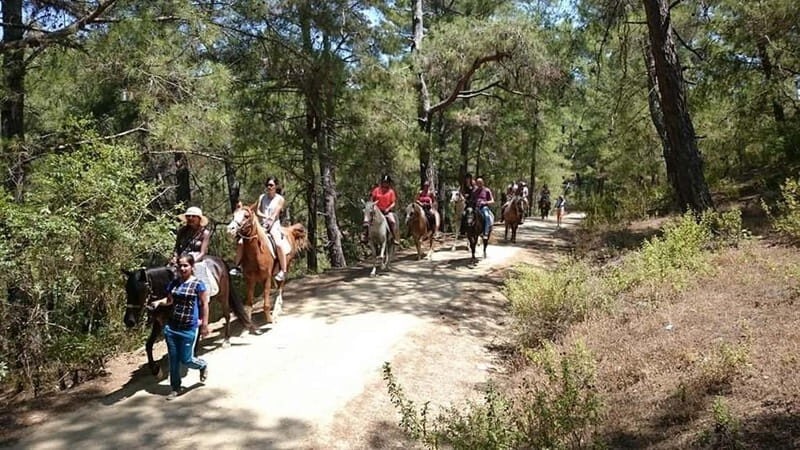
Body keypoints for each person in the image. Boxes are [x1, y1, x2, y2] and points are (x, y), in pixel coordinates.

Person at [148, 254, 209, 400]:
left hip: (189, 328)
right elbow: (169, 300)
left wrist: (205, 324)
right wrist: (158, 303)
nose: (182, 268)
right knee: (173, 360)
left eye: (185, 265)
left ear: (192, 267)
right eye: (180, 265)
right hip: (172, 328)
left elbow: (204, 304)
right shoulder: (174, 283)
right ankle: (175, 388)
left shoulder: (198, 284)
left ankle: (202, 365)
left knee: (186, 359)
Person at [230, 177, 289, 281]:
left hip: (274, 223)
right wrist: (264, 217)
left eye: (271, 185)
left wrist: (270, 219)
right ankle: (238, 266)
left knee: (279, 244)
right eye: (267, 185)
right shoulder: (262, 197)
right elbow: (257, 211)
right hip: (261, 223)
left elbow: (276, 213)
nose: (269, 187)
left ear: (276, 187)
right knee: (241, 242)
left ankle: (283, 270)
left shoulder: (280, 199)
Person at [369, 174, 400, 245]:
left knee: (392, 221)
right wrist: (372, 205)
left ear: (389, 183)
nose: (385, 183)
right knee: (367, 219)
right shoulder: (376, 190)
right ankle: (366, 235)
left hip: (386, 211)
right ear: (382, 182)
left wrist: (388, 208)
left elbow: (393, 203)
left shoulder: (391, 191)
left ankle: (393, 237)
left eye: (386, 182)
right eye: (384, 182)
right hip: (377, 211)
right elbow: (372, 198)